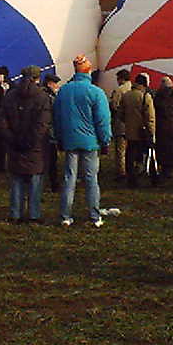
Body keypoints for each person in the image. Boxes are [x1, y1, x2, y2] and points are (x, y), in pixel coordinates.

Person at [54, 55, 111, 227]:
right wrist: (105, 140)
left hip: (70, 141)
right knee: (91, 179)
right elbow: (102, 120)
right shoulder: (96, 92)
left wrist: (60, 138)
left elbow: (57, 117)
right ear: (89, 70)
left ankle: (65, 215)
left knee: (69, 178)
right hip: (90, 142)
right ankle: (94, 215)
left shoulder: (63, 91)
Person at [0, 65, 52, 223]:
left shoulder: (10, 95)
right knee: (35, 180)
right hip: (35, 147)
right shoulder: (42, 97)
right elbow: (42, 124)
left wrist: (12, 139)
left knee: (16, 179)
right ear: (38, 78)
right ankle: (34, 214)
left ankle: (15, 213)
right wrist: (31, 141)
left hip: (14, 144)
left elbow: (2, 121)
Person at [119, 73, 157, 187]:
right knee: (147, 154)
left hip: (130, 131)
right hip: (143, 132)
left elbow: (120, 114)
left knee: (130, 155)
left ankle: (131, 178)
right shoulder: (146, 97)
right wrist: (152, 132)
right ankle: (148, 176)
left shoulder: (126, 96)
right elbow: (150, 117)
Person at [153, 76, 173, 180]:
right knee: (172, 150)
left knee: (162, 149)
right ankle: (169, 169)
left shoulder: (157, 96)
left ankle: (164, 169)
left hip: (161, 127)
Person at [109, 69, 132, 181]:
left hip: (121, 125)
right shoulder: (134, 89)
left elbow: (114, 105)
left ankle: (122, 172)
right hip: (133, 125)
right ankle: (133, 168)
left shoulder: (119, 90)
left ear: (121, 79)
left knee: (120, 150)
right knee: (132, 148)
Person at [42, 74, 62, 192]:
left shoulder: (41, 94)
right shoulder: (50, 97)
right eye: (55, 84)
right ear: (50, 83)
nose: (57, 86)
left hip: (42, 131)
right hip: (49, 131)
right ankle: (53, 183)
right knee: (51, 159)